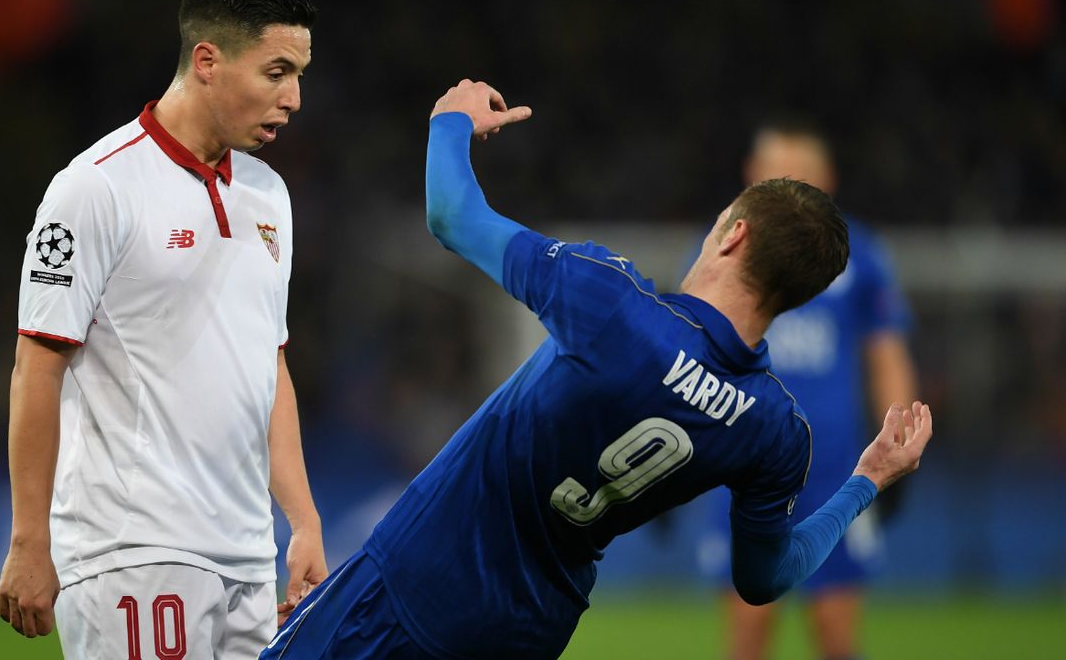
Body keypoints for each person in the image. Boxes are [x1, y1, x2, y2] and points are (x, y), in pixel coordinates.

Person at [260, 80, 933, 660]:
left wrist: (450, 118)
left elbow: (451, 214)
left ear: (733, 234)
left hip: (414, 588)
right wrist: (866, 481)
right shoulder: (774, 428)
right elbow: (767, 576)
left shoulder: (613, 304)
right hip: (527, 633)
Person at [0, 0, 327, 660]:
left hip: (244, 557)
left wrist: (301, 521)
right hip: (134, 552)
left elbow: (267, 364)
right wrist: (30, 540)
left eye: (299, 74)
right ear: (207, 60)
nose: (294, 97)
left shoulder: (269, 194)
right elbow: (38, 365)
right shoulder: (96, 188)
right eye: (276, 72)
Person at [714, 119, 918, 660]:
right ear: (752, 176)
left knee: (836, 639)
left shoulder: (861, 257)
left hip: (833, 470)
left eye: (801, 173)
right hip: (742, 466)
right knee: (747, 639)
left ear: (827, 179)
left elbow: (886, 355)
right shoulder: (725, 244)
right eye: (777, 172)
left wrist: (898, 436)